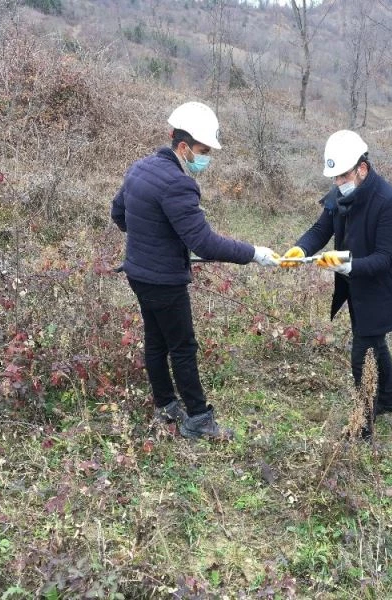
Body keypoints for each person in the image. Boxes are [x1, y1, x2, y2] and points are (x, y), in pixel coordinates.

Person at [111, 101, 279, 440]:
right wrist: (254, 253)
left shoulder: (140, 168)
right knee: (183, 347)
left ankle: (165, 405)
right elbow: (205, 243)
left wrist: (153, 237)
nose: (206, 158)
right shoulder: (177, 183)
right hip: (162, 281)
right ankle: (199, 420)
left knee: (156, 340)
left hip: (138, 274)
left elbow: (120, 216)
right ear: (183, 145)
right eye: (203, 150)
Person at [281, 130, 392, 435]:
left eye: (342, 176)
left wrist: (347, 265)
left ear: (361, 169)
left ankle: (363, 422)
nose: (338, 183)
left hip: (380, 288)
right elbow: (320, 228)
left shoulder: (390, 203)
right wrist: (301, 249)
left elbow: (386, 257)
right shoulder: (340, 195)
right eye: (334, 178)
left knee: (362, 351)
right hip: (355, 286)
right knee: (375, 342)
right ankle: (390, 401)